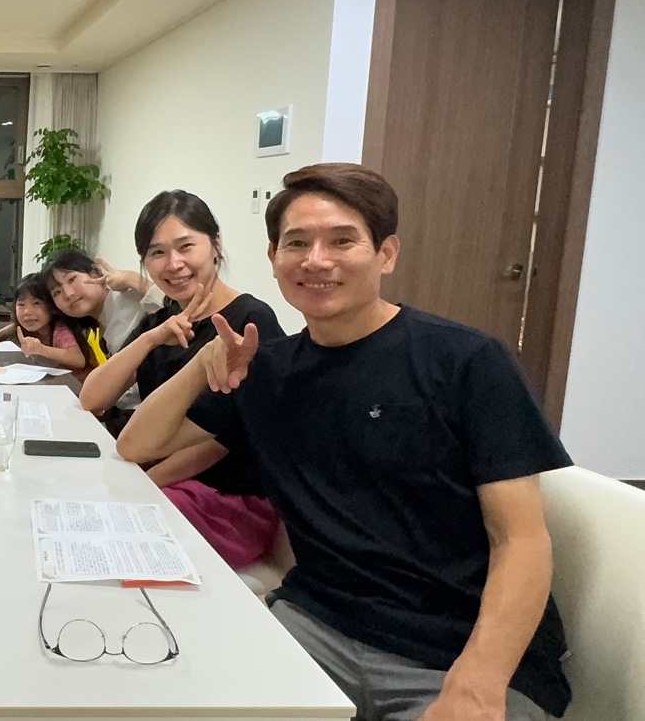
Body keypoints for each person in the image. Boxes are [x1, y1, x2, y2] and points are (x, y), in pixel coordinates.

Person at [118, 164, 572, 720]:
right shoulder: (268, 371)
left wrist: (478, 682)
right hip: (316, 624)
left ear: (386, 253)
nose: (316, 260)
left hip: (455, 653)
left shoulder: (466, 361)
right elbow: (137, 445)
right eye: (296, 243)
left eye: (342, 241)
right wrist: (204, 362)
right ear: (273, 257)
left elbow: (520, 539)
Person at [80, 190, 284, 568]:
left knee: (103, 538)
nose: (174, 264)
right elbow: (92, 399)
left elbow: (219, 442)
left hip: (228, 500)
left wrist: (140, 486)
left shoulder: (250, 321)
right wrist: (150, 337)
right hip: (158, 475)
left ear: (215, 245)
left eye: (186, 246)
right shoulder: (164, 320)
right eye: (157, 253)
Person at [41, 248, 162, 364]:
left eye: (72, 279)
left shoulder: (133, 296)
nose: (68, 294)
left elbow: (170, 308)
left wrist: (132, 278)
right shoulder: (99, 329)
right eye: (57, 292)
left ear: (95, 273)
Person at [0, 273, 94, 381]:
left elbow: (79, 360)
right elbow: (17, 326)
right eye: (21, 304)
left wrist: (41, 349)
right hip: (52, 381)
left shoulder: (60, 330)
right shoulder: (35, 325)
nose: (27, 312)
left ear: (52, 307)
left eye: (36, 303)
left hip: (77, 387)